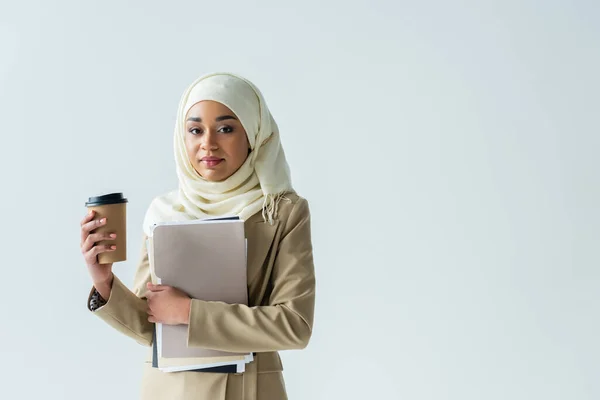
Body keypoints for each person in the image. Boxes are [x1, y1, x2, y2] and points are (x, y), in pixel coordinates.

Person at [79, 72, 316, 400]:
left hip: (250, 390)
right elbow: (149, 328)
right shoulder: (163, 212)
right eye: (195, 130)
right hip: (168, 391)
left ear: (253, 134)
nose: (208, 143)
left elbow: (294, 325)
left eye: (226, 128)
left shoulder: (282, 211)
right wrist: (104, 281)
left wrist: (189, 312)